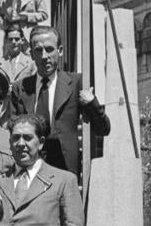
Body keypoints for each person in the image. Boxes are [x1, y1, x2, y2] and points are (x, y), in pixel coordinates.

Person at [10, 26, 110, 177]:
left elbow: (103, 129)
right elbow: (12, 129)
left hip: (65, 168)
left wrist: (92, 103)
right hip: (30, 167)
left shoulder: (76, 83)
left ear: (60, 51)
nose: (44, 56)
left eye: (49, 49)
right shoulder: (20, 88)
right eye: (38, 50)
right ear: (31, 54)